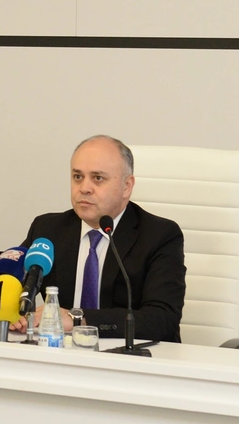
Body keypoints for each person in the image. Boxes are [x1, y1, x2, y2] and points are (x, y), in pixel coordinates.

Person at [13, 135, 185, 342]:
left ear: (127, 186)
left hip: (128, 355)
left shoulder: (159, 235)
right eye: (78, 176)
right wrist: (12, 312)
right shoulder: (48, 229)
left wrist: (78, 318)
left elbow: (162, 320)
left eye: (98, 178)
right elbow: (13, 283)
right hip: (62, 352)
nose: (84, 188)